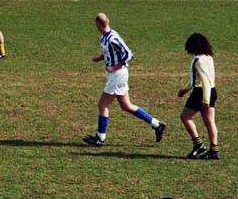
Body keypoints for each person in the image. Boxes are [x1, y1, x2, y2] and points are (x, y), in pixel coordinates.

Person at [85, 13, 167, 146]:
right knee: (126, 106)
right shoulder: (104, 37)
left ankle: (100, 137)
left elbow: (129, 54)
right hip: (115, 75)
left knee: (102, 105)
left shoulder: (112, 38)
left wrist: (115, 67)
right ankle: (157, 124)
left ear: (98, 24)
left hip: (117, 75)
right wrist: (100, 58)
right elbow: (111, 53)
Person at [177, 34, 220, 160]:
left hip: (200, 92)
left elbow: (202, 80)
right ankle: (214, 150)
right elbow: (204, 79)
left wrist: (205, 100)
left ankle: (198, 144)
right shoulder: (209, 58)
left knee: (185, 117)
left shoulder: (198, 60)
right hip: (212, 90)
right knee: (210, 122)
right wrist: (184, 90)